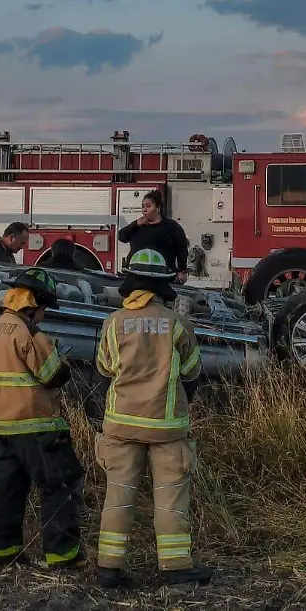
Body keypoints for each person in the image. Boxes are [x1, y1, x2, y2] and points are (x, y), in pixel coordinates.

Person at [91, 248, 213, 588]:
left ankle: (109, 568)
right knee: (171, 498)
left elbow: (104, 370)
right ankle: (175, 567)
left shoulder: (113, 323)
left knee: (118, 495)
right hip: (166, 427)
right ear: (162, 286)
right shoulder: (177, 324)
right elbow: (192, 373)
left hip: (121, 425)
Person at [0, 268, 86, 570]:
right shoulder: (28, 333)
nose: (43, 315)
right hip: (40, 427)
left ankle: (3, 552)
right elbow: (52, 376)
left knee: (7, 490)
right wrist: (62, 360)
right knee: (60, 485)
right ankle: (63, 555)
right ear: (33, 303)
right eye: (44, 308)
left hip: (4, 428)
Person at [118, 190, 190, 284]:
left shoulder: (171, 226)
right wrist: (135, 224)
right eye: (143, 207)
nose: (144, 210)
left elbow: (182, 248)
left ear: (158, 208)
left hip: (163, 277)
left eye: (148, 206)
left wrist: (182, 271)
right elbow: (121, 237)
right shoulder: (138, 226)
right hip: (136, 276)